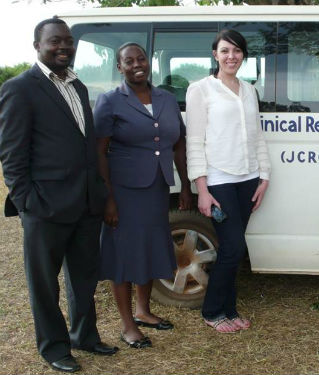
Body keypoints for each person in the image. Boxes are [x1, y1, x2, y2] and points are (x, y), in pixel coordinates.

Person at [0, 18, 118, 373]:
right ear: (38, 45)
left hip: (84, 204)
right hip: (44, 207)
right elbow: (12, 153)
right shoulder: (20, 88)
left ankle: (84, 335)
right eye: (55, 41)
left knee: (84, 277)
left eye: (68, 41)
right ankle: (54, 348)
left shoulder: (77, 85)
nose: (64, 47)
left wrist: (96, 191)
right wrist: (26, 202)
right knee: (44, 284)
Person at [93, 43, 192, 348]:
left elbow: (178, 143)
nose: (137, 64)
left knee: (148, 249)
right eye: (129, 61)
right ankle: (126, 326)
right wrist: (107, 197)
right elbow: (98, 151)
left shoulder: (165, 97)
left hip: (157, 188)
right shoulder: (110, 101)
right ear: (119, 68)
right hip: (123, 191)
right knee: (124, 255)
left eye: (141, 59)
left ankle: (143, 312)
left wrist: (185, 184)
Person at [186, 29, 271, 333]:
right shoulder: (201, 90)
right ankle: (212, 311)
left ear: (243, 56)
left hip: (248, 180)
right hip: (219, 181)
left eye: (236, 51)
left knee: (232, 249)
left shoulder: (249, 90)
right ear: (215, 55)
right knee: (233, 247)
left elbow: (257, 136)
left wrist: (264, 177)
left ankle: (230, 308)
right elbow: (194, 140)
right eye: (225, 51)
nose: (231, 56)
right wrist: (202, 189)